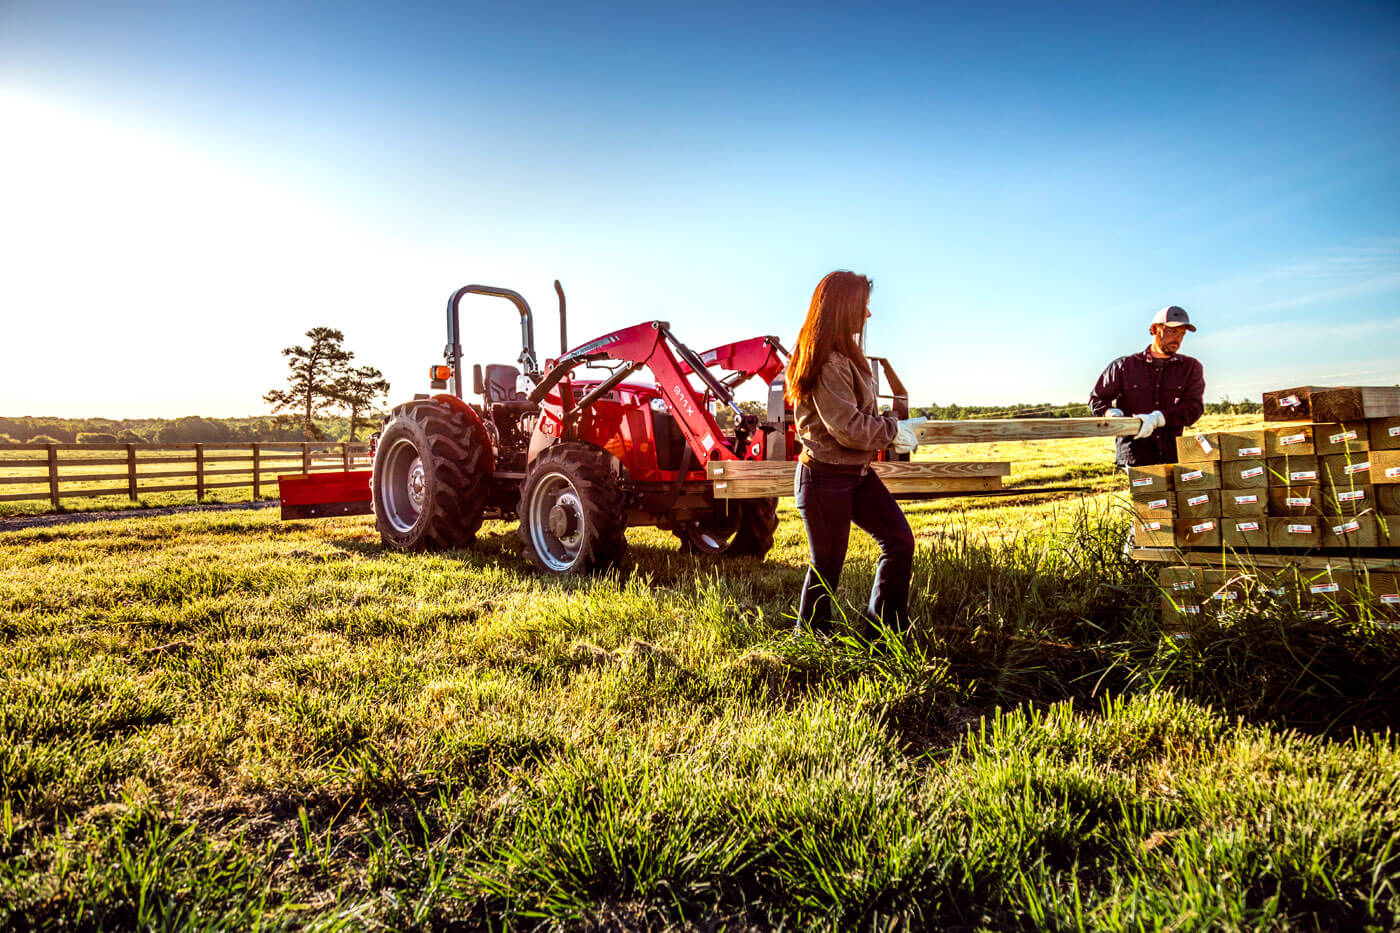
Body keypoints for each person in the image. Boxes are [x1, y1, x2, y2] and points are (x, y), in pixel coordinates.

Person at [785, 270, 920, 636]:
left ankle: (885, 633)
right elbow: (846, 426)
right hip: (824, 478)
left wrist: (891, 423)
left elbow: (864, 415)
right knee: (826, 566)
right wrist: (894, 433)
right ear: (845, 308)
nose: (869, 315)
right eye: (864, 307)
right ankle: (811, 639)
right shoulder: (827, 360)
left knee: (899, 542)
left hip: (855, 475)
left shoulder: (847, 353)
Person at [1089, 305, 1205, 467]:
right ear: (1155, 329)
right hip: (1135, 456)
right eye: (1173, 331)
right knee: (1145, 493)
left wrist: (1159, 418)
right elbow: (1097, 399)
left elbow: (1193, 408)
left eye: (1182, 334)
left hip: (1172, 456)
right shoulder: (1124, 366)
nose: (1177, 338)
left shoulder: (1190, 368)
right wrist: (1110, 413)